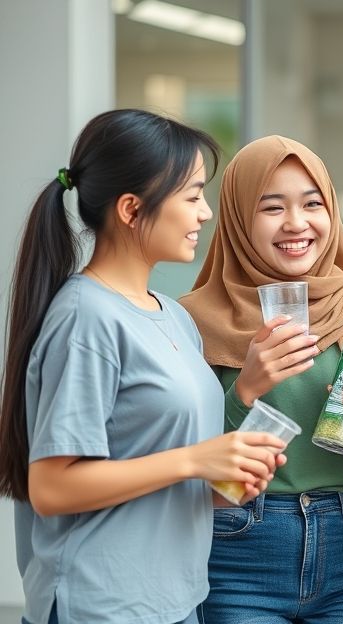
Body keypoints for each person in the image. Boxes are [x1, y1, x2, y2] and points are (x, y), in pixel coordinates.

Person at [0, 109, 286, 624]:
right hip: (101, 606)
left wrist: (225, 482)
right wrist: (197, 460)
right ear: (132, 209)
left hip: (174, 601)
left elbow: (154, 466)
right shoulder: (85, 317)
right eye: (193, 195)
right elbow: (51, 487)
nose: (205, 214)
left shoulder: (173, 316)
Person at [180, 135, 343, 623]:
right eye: (272, 208)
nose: (297, 223)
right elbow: (190, 466)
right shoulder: (191, 321)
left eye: (312, 204)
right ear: (236, 219)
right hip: (237, 547)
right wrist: (244, 390)